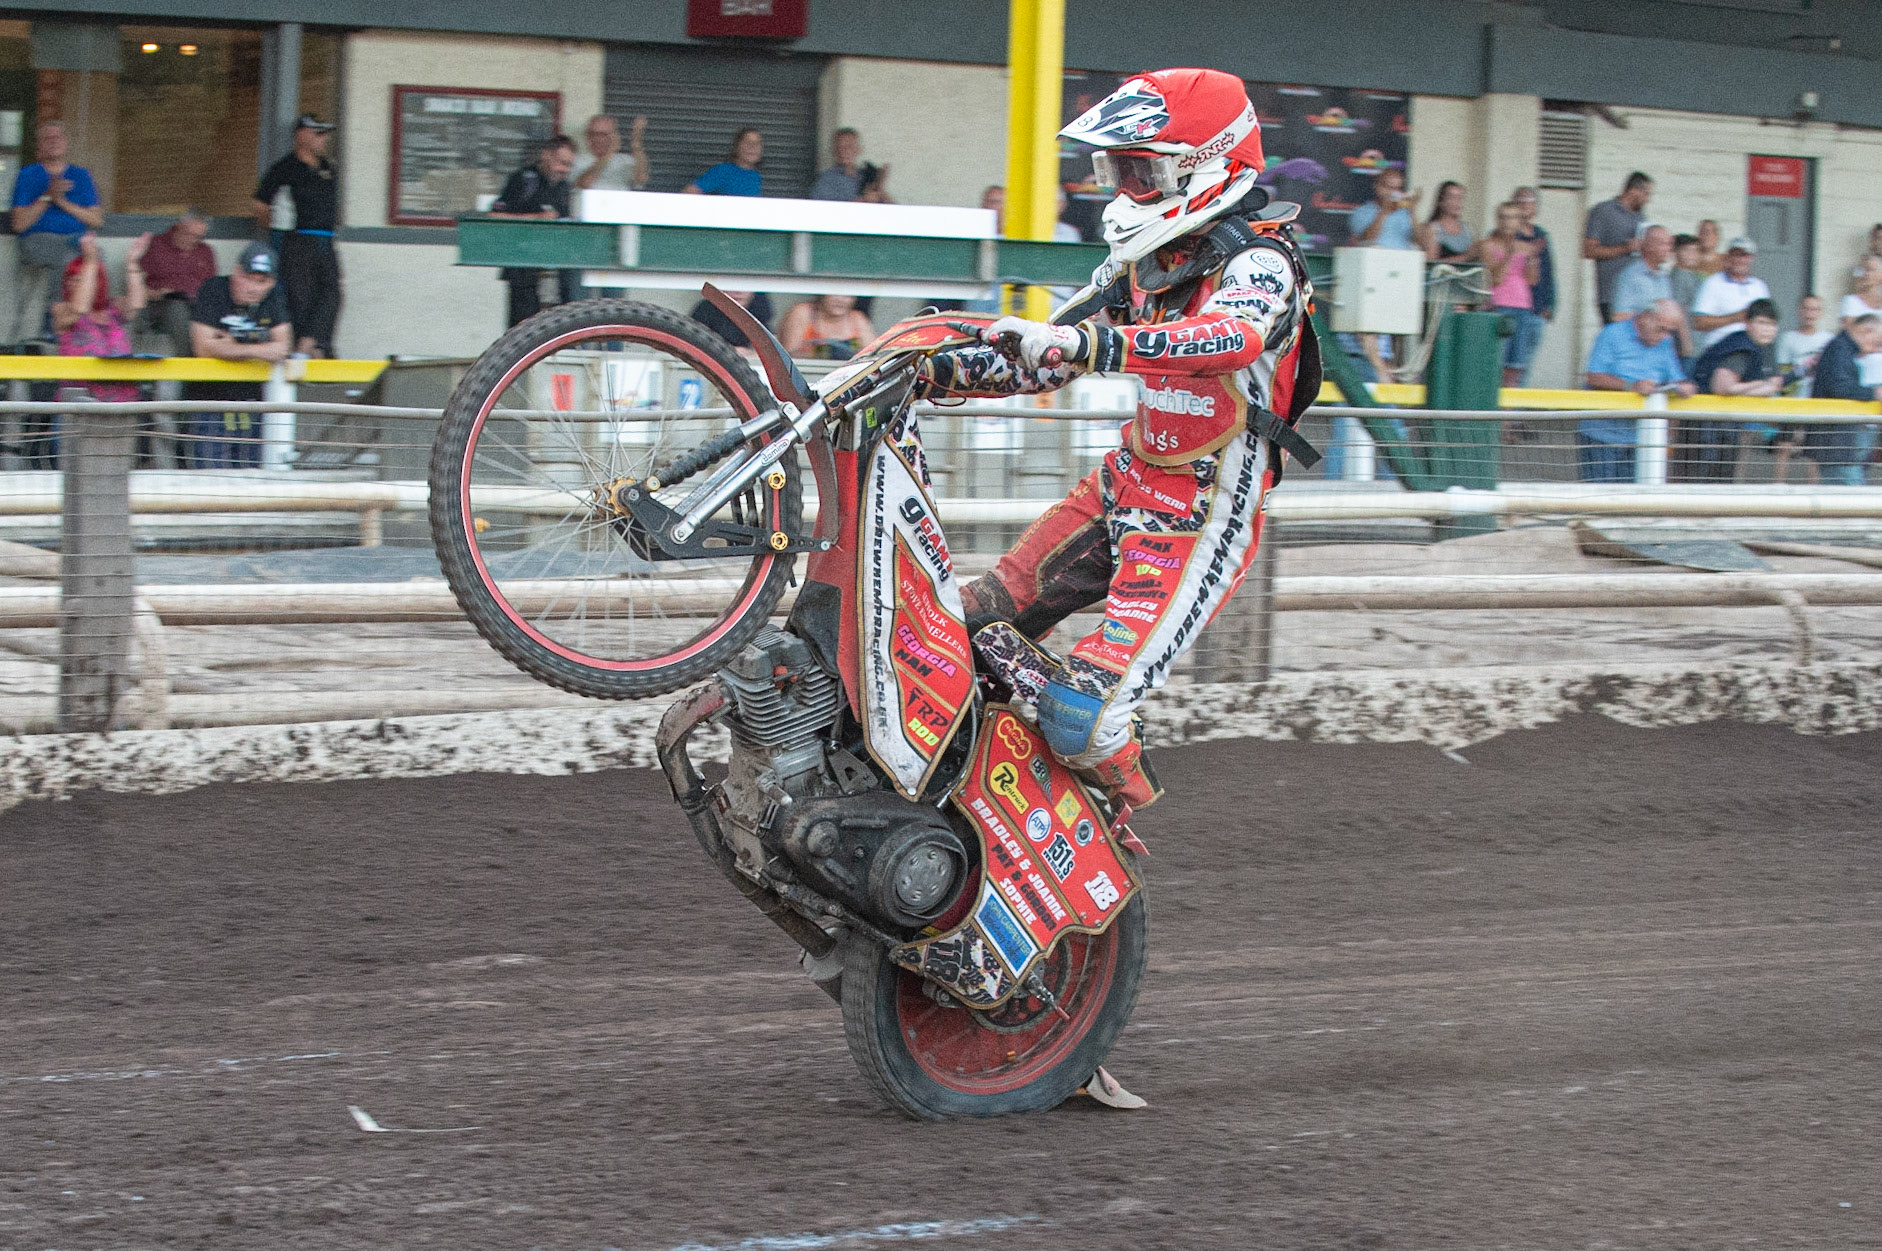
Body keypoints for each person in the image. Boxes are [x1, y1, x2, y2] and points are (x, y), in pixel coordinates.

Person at [920, 68, 1318, 808]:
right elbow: (1045, 356)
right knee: (961, 626)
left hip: (1199, 514)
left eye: (1146, 170)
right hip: (1121, 484)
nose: (1130, 188)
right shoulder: (1144, 263)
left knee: (1084, 715)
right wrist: (931, 372)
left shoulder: (1261, 262)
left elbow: (1229, 338)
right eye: (1120, 170)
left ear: (1206, 165)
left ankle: (1109, 816)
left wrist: (1095, 349)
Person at [187, 243, 291, 468]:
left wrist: (230, 344)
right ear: (236, 272)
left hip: (253, 402)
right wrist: (258, 347)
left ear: (271, 283)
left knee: (249, 481)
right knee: (208, 480)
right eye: (248, 278)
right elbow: (202, 347)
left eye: (262, 281)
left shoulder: (273, 297)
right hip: (210, 402)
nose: (254, 287)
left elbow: (282, 348)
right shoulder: (214, 288)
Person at [252, 114, 340, 358]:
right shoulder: (284, 168)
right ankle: (302, 348)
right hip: (297, 240)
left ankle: (313, 343)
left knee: (332, 292)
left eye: (325, 134)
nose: (323, 139)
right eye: (317, 133)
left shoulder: (327, 168)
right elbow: (260, 205)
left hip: (325, 238)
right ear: (301, 135)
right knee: (299, 297)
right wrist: (278, 231)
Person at [9, 121, 103, 347]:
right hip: (36, 242)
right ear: (39, 147)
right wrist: (48, 196)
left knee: (97, 256)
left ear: (65, 143)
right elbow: (19, 225)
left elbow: (96, 220)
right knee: (67, 256)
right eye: (47, 138)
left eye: (58, 137)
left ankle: (93, 328)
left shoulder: (80, 176)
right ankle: (53, 323)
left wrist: (62, 202)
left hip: (75, 240)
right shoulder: (28, 175)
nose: (53, 141)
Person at [1579, 299, 1695, 483]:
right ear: (1646, 317)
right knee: (1597, 496)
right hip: (1602, 434)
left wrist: (1685, 386)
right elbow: (1594, 376)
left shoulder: (1665, 343)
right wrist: (1632, 386)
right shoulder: (1612, 334)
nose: (1666, 336)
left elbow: (1677, 378)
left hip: (1641, 437)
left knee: (1632, 500)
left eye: (1670, 331)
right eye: (1662, 328)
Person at [1678, 298, 1783, 482]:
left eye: (1772, 324)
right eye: (1762, 322)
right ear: (1748, 324)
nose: (1768, 329)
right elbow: (1721, 386)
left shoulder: (1765, 347)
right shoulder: (1740, 347)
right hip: (1704, 422)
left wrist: (1764, 387)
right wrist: (1758, 385)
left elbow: (1774, 383)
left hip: (1726, 425)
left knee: (1723, 481)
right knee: (1701, 482)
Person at [53, 232, 149, 419]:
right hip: (79, 407)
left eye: (83, 279)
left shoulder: (113, 308)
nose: (76, 284)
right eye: (72, 279)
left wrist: (132, 262)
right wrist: (90, 261)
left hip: (122, 406)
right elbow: (80, 308)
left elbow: (137, 303)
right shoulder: (62, 310)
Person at [489, 135, 578, 327]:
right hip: (523, 265)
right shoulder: (523, 180)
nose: (565, 170)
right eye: (561, 163)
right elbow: (495, 216)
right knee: (522, 327)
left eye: (569, 165)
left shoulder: (564, 187)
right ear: (546, 155)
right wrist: (536, 218)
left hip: (555, 267)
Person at [1348, 167, 1419, 380]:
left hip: (1400, 282)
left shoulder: (1405, 214)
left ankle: (1395, 381)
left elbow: (1421, 242)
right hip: (1372, 284)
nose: (1393, 193)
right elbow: (1366, 239)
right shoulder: (1363, 212)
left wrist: (1413, 211)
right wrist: (1385, 212)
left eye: (1398, 188)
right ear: (1377, 187)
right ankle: (1382, 375)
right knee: (1373, 337)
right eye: (1389, 187)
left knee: (1399, 341)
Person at [1797, 313, 1882, 486]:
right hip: (1836, 443)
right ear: (1866, 331)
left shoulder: (1841, 348)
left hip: (1837, 442)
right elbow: (1840, 388)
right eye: (1878, 342)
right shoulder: (1840, 349)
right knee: (1850, 495)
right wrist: (1875, 393)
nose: (1877, 349)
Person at [137, 209, 216, 356]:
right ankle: (189, 367)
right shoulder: (156, 244)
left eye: (199, 237)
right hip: (160, 304)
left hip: (197, 304)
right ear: (179, 227)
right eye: (190, 234)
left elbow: (212, 287)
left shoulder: (206, 251)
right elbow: (136, 283)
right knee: (177, 308)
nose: (194, 240)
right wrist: (155, 293)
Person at [1480, 201, 1540, 388]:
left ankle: (1508, 416)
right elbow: (1495, 278)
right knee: (1496, 363)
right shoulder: (1487, 245)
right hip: (1499, 305)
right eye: (1504, 217)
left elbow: (1532, 280)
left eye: (1513, 217)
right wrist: (1509, 254)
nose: (1507, 222)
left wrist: (1532, 259)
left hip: (1522, 305)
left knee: (1516, 366)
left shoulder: (1526, 247)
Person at [1583, 172, 1652, 323]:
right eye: (1646, 194)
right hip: (1611, 294)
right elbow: (1588, 250)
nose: (1648, 200)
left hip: (1636, 293)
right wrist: (1625, 248)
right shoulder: (1603, 211)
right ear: (1633, 190)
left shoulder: (1640, 216)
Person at [1690, 237, 1772, 350]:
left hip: (1752, 350)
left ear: (1751, 258)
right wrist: (1736, 317)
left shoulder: (1759, 286)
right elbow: (1699, 323)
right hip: (1720, 350)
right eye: (1735, 255)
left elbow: (1768, 321)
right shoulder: (1713, 283)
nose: (1739, 260)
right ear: (1728, 257)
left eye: (1744, 255)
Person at [1512, 185, 1556, 336]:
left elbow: (1548, 273)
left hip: (1537, 311)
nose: (1525, 203)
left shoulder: (1541, 235)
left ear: (1536, 206)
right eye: (1521, 199)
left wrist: (1550, 305)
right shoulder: (1506, 235)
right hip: (1512, 307)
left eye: (1529, 199)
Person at [778, 293, 874, 360]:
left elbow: (873, 355)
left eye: (847, 295)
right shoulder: (802, 313)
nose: (840, 300)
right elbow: (788, 357)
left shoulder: (857, 318)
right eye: (834, 293)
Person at [573, 114, 650, 193]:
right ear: (587, 136)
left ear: (614, 135)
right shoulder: (578, 160)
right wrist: (609, 153)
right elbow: (584, 183)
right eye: (594, 134)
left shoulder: (624, 160)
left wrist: (636, 143)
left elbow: (641, 179)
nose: (598, 139)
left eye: (604, 135)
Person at [810, 128, 889, 203]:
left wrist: (879, 190)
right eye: (839, 147)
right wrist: (864, 200)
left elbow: (894, 210)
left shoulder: (866, 175)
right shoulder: (826, 179)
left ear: (859, 149)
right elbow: (824, 211)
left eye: (849, 147)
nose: (843, 151)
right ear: (834, 150)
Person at [685, 129, 763, 197]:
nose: (753, 147)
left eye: (757, 143)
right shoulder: (723, 171)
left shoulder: (755, 176)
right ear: (737, 147)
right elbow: (689, 192)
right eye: (747, 142)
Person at [689, 290, 774, 351]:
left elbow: (770, 351)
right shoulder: (704, 310)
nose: (739, 292)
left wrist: (751, 354)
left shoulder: (760, 312)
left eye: (746, 286)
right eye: (733, 286)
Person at [1417, 180, 1475, 261]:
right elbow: (1431, 263)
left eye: (1460, 198)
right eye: (1452, 198)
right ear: (1441, 201)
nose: (1457, 203)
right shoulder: (1433, 229)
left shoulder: (1466, 229)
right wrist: (1463, 258)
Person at [1840, 255, 1882, 329]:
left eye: (1871, 270)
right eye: (1863, 270)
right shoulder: (1851, 301)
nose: (1865, 274)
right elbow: (1850, 333)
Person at [1670, 233, 1706, 314]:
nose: (1691, 254)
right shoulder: (1679, 277)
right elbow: (1678, 308)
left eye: (1695, 250)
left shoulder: (1693, 275)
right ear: (1676, 252)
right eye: (1686, 250)